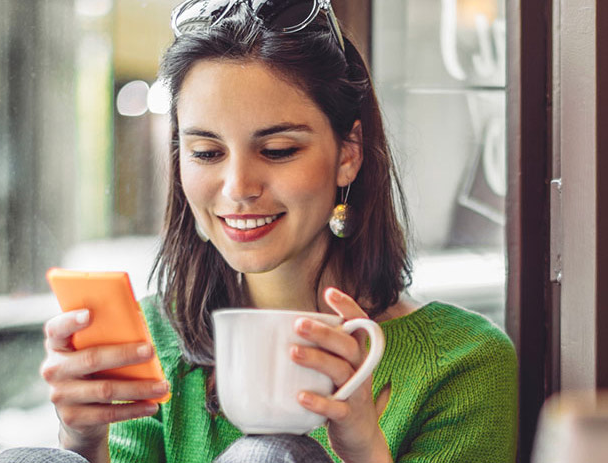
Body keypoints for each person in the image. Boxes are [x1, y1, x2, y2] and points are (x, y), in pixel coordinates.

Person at [27, 1, 519, 462]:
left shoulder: (463, 364)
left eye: (278, 150)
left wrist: (365, 450)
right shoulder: (154, 338)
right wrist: (82, 441)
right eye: (206, 153)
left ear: (348, 153)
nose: (239, 188)